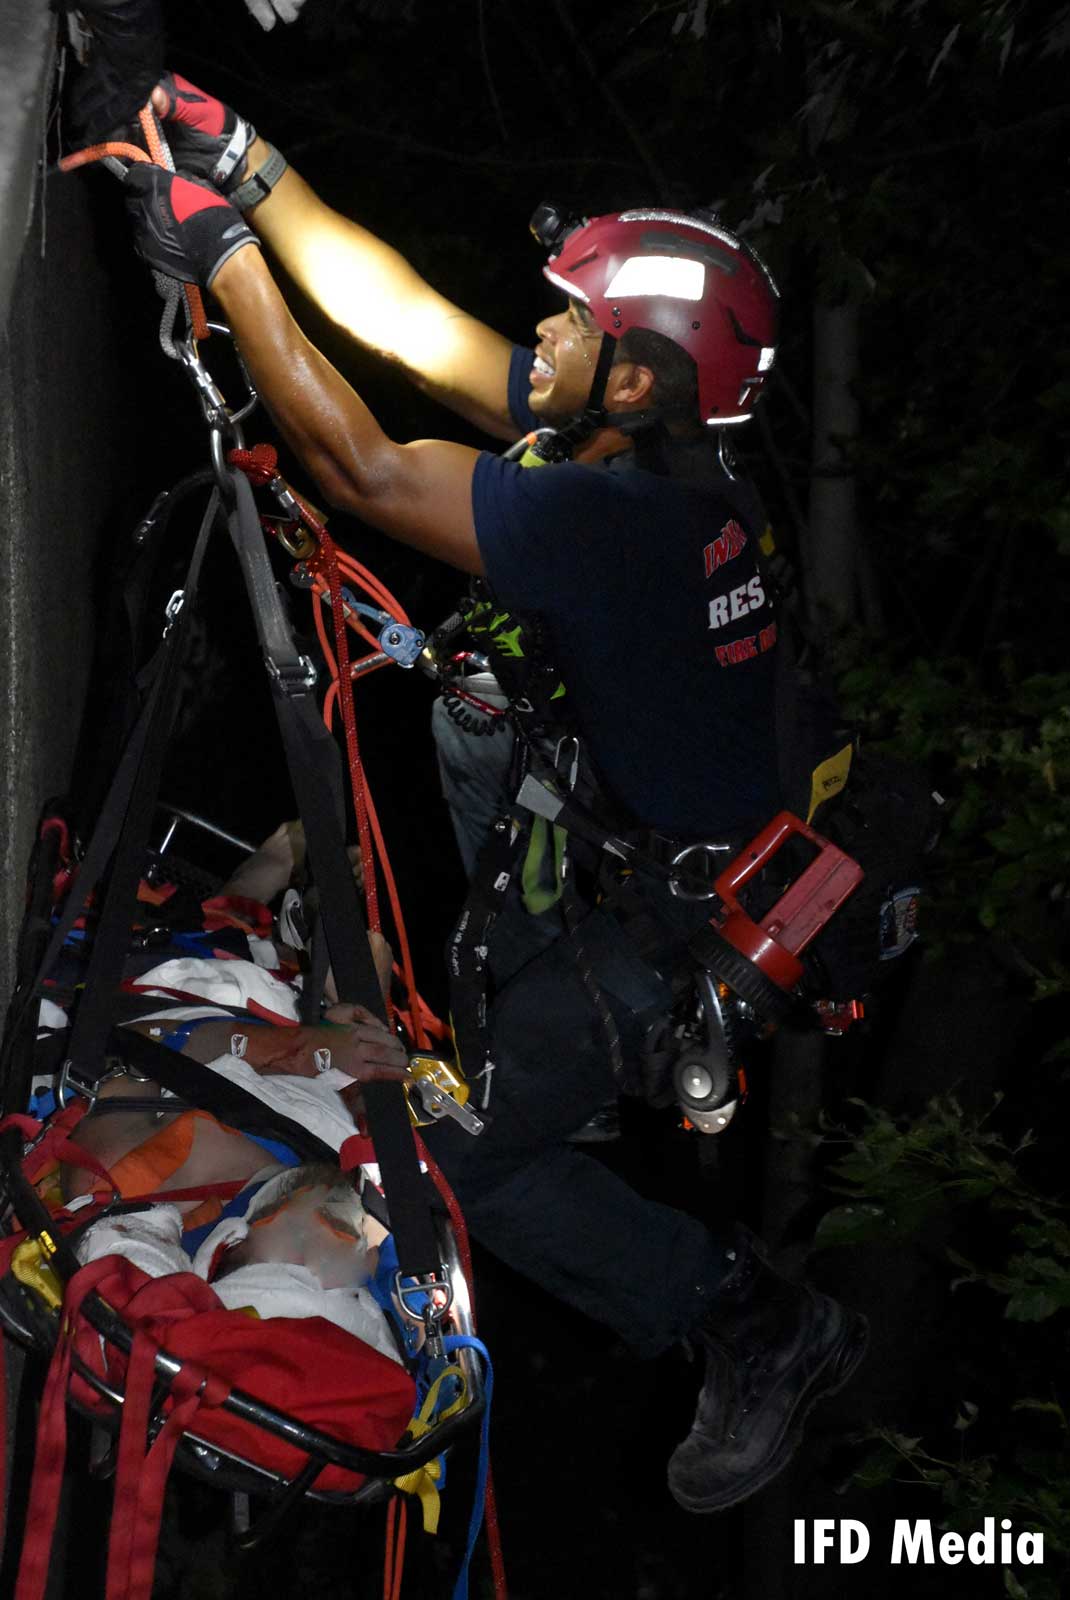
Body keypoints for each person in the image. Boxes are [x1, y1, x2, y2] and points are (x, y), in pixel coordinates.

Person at [111, 74, 868, 1513]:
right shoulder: (667, 466)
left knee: (454, 1167)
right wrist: (249, 172)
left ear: (635, 380)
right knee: (481, 1112)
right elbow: (418, 335)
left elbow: (359, 463)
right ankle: (556, 1130)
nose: (543, 332)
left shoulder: (623, 524)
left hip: (648, 947)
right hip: (624, 885)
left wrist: (213, 258)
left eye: (574, 323)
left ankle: (754, 1318)